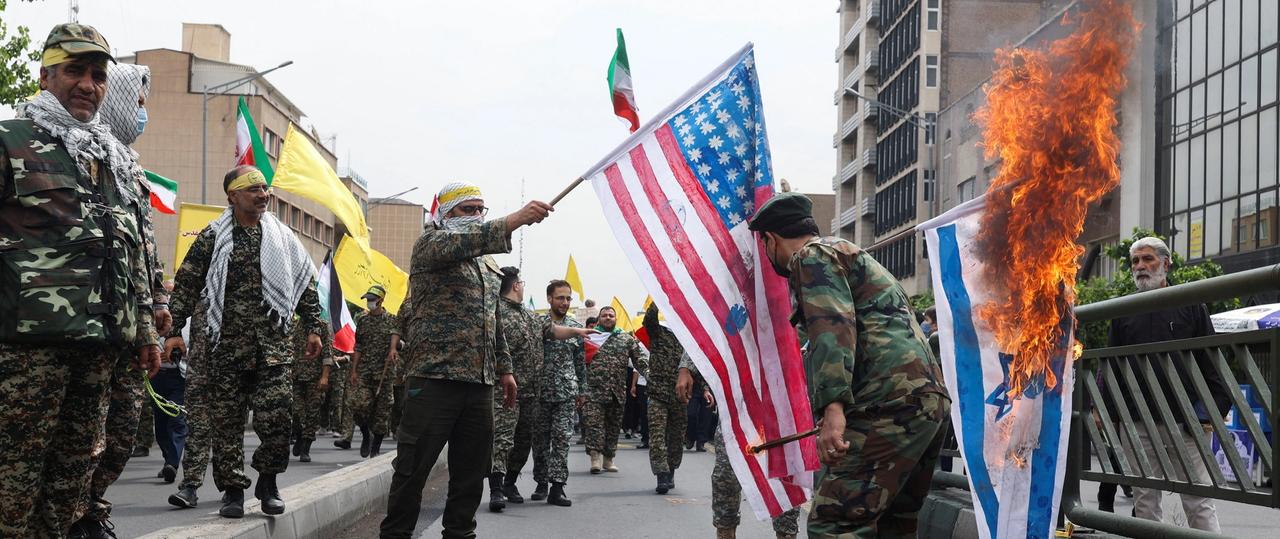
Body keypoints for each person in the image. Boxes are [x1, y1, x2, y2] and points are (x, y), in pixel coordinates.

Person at [0, 23, 163, 538]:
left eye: (96, 76)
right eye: (75, 71)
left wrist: (144, 330)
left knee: (71, 488)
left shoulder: (107, 159)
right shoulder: (11, 140)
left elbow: (129, 252)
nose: (88, 85)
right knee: (13, 489)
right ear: (45, 75)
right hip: (27, 355)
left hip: (98, 352)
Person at [380, 182, 590, 538]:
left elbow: (492, 323)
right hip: (434, 379)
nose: (476, 216)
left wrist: (505, 370)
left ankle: (460, 533)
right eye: (467, 209)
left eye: (481, 210)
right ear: (445, 213)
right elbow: (469, 240)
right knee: (412, 470)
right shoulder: (432, 244)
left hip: (479, 385)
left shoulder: (487, 265)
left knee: (470, 474)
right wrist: (517, 219)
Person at [749, 192, 950, 537]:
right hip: (927, 403)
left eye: (764, 246)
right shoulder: (849, 255)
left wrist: (832, 410)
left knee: (834, 522)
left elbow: (832, 329)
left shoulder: (811, 256)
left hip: (887, 403)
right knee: (894, 523)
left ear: (771, 239)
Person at [163, 165, 324, 518]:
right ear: (233, 196)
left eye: (264, 188)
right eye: (253, 189)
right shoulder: (213, 237)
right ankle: (233, 491)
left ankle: (268, 482)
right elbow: (187, 283)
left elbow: (304, 284)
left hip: (274, 349)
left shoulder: (282, 237)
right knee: (227, 424)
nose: (263, 194)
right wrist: (175, 331)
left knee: (277, 419)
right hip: (227, 350)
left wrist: (314, 326)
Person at [66, 61, 172, 538]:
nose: (143, 113)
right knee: (78, 439)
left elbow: (142, 252)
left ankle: (90, 507)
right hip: (83, 325)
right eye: (140, 103)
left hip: (131, 327)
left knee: (121, 434)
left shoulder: (126, 165)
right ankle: (75, 518)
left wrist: (156, 305)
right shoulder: (75, 151)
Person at [1103, 236, 1230, 531]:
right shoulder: (1122, 313)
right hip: (1137, 424)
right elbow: (1111, 368)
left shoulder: (1190, 305)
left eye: (1147, 259)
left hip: (1187, 422)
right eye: (1135, 261)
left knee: (1198, 501)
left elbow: (1211, 362)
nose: (1140, 266)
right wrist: (1110, 414)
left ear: (1166, 263)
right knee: (1145, 502)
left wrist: (1208, 412)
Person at [676, 356, 799, 539]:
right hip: (737, 404)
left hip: (781, 402)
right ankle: (725, 533)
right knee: (726, 478)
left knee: (785, 479)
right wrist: (685, 369)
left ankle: (786, 534)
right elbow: (709, 328)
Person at [531, 280, 587, 506]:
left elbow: (580, 362)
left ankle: (557, 487)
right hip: (540, 392)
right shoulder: (537, 324)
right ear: (549, 299)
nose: (564, 302)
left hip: (566, 392)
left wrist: (582, 390)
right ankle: (541, 482)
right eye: (560, 298)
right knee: (540, 441)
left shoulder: (576, 327)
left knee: (562, 439)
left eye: (568, 298)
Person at [488, 267, 539, 512]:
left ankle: (510, 482)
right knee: (503, 438)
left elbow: (550, 331)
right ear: (516, 285)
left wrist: (578, 331)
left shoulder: (529, 317)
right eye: (522, 283)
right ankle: (496, 488)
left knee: (523, 440)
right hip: (505, 390)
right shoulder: (495, 312)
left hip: (530, 390)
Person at [583, 305, 650, 474]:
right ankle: (595, 458)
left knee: (613, 427)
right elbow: (579, 361)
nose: (607, 318)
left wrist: (650, 375)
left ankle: (608, 459)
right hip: (593, 391)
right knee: (594, 425)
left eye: (611, 315)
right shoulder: (589, 337)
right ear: (599, 319)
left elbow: (639, 360)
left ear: (615, 318)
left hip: (617, 391)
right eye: (604, 315)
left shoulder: (625, 338)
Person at [346, 284, 400, 458]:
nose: (369, 302)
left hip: (384, 372)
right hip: (365, 371)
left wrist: (394, 348)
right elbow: (358, 345)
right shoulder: (362, 319)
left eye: (372, 299)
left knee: (382, 411)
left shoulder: (392, 319)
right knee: (356, 404)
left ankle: (375, 447)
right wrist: (354, 370)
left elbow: (398, 340)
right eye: (367, 299)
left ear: (381, 300)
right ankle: (365, 434)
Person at [640, 304, 686, 494]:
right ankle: (662, 475)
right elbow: (649, 318)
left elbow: (695, 366)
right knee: (657, 436)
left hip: (680, 395)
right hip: (657, 392)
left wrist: (705, 389)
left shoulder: (688, 337)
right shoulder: (658, 332)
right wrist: (660, 297)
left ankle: (671, 469)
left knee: (676, 437)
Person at [292, 317, 333, 463]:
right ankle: (299, 435)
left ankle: (306, 448)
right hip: (295, 376)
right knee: (296, 412)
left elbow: (328, 353)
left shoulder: (322, 325)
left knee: (312, 413)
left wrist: (325, 377)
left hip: (315, 378)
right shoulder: (295, 323)